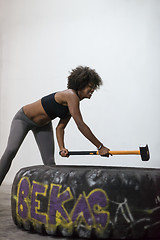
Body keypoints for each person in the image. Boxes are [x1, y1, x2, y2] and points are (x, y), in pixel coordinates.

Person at [0, 66, 110, 185]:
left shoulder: (71, 106)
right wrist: (100, 147)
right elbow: (81, 125)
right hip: (23, 119)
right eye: (90, 86)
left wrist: (62, 147)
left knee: (50, 163)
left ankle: (51, 197)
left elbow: (60, 128)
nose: (93, 89)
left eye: (94, 87)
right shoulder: (70, 95)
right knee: (11, 150)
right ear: (81, 84)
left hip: (43, 125)